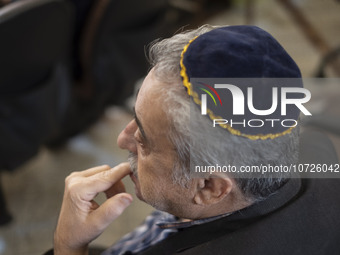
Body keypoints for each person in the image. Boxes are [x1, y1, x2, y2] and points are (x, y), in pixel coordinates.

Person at [49, 25, 340, 255]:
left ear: (209, 187)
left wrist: (69, 246)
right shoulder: (315, 150)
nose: (122, 140)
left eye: (143, 138)